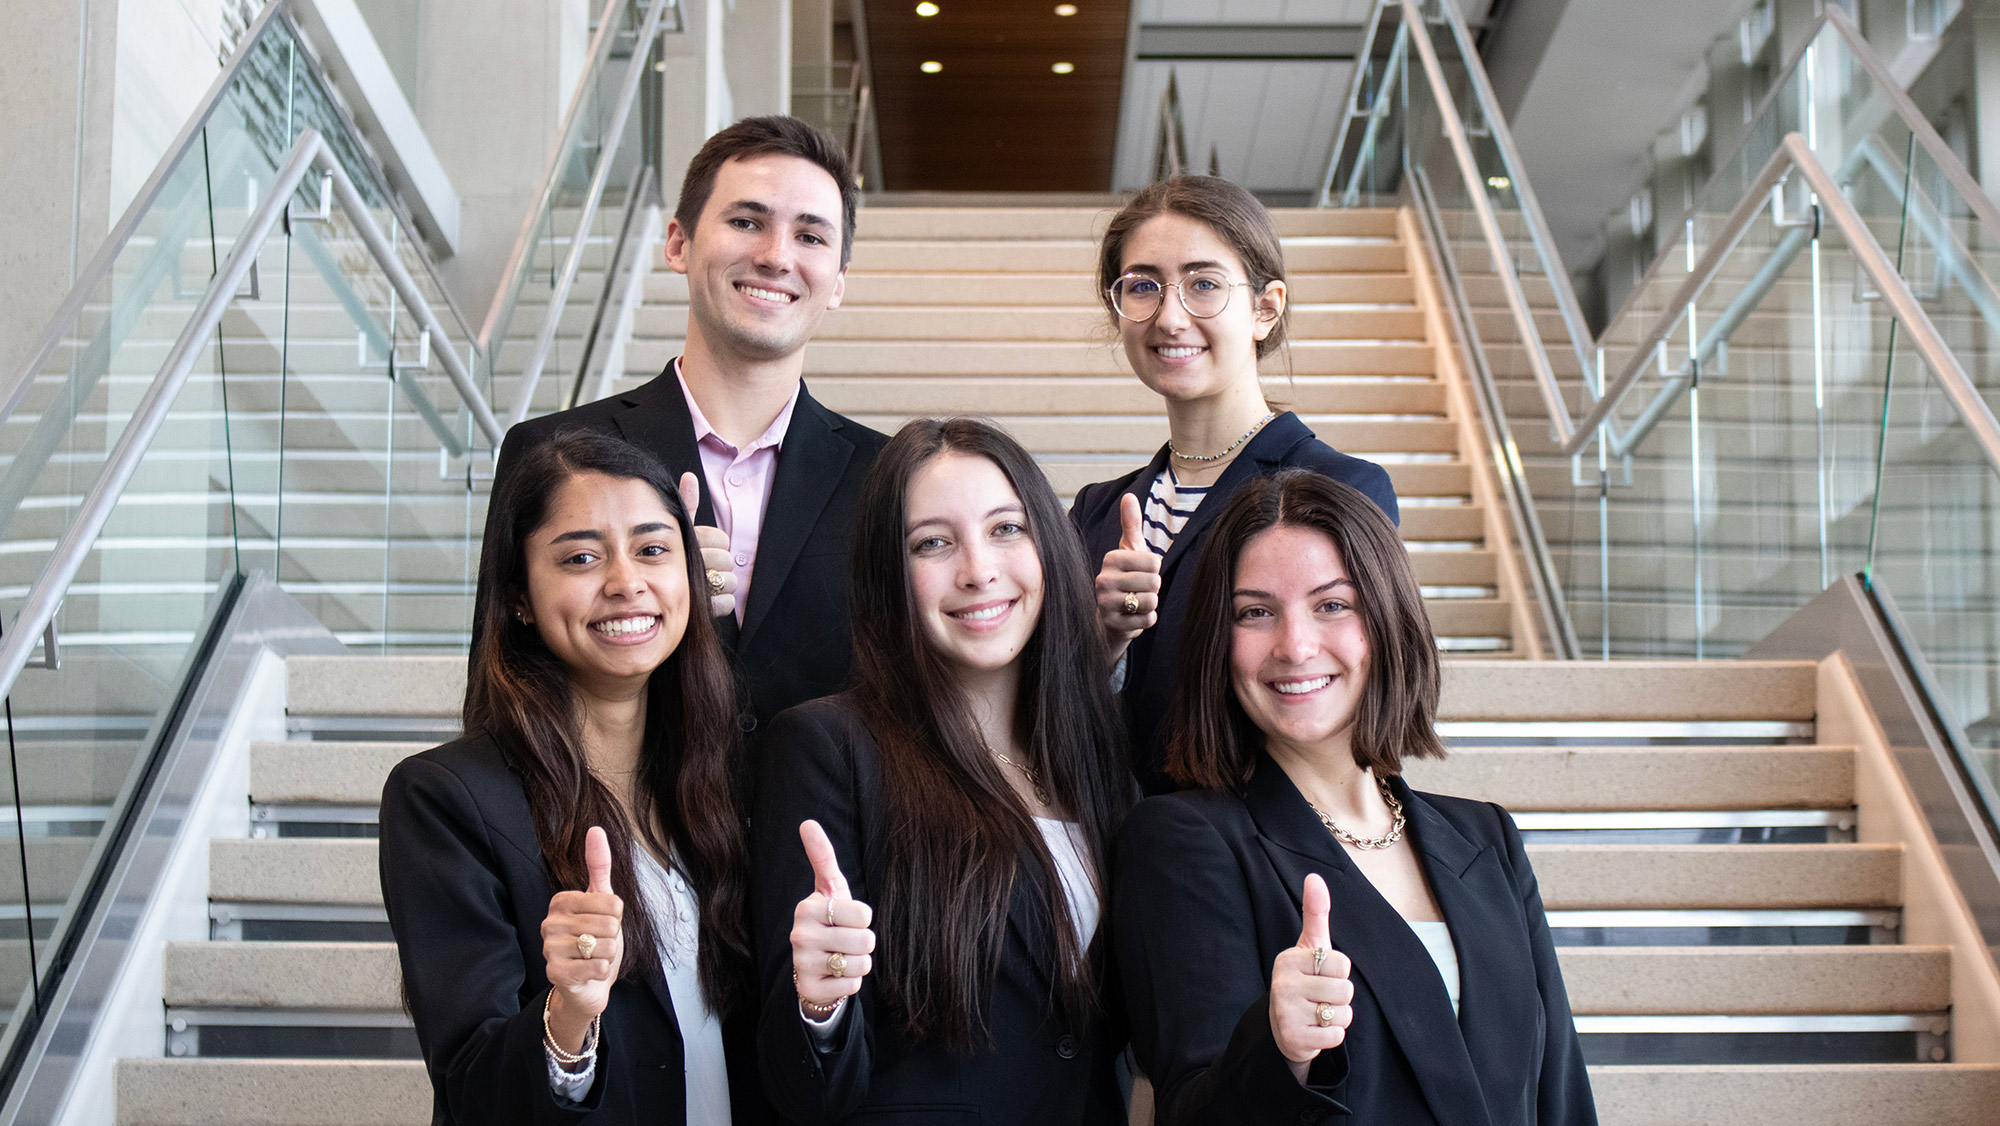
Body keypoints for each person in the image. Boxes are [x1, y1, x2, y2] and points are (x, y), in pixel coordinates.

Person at [1113, 469, 1594, 1126]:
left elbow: (1560, 1095)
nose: (1295, 646)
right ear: (1218, 645)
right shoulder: (1182, 842)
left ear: (1386, 619)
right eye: (1256, 612)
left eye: (1332, 604)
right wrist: (1280, 1050)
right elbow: (1191, 1110)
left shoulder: (1487, 840)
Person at [749, 418, 1135, 1124]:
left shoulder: (1093, 752)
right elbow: (797, 1085)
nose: (978, 570)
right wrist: (819, 1004)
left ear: (1049, 544)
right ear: (887, 573)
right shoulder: (826, 749)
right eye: (933, 542)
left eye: (1006, 529)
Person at [381, 430, 772, 1124]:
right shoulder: (446, 799)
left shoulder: (727, 780)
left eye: (654, 549)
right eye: (582, 558)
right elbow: (472, 1092)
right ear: (521, 597)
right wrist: (566, 1018)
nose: (626, 582)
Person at [482, 114, 888, 734]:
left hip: (824, 826)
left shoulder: (888, 478)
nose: (776, 256)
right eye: (746, 222)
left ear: (837, 282)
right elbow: (504, 687)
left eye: (810, 237)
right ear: (678, 244)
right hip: (617, 823)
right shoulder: (552, 451)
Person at [1069, 176, 1399, 793]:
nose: (1170, 316)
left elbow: (1356, 710)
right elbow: (1040, 712)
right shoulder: (1096, 513)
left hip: (1253, 862)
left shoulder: (1339, 488)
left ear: (1264, 308)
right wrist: (1102, 638)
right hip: (1113, 861)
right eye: (1143, 286)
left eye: (1204, 285)